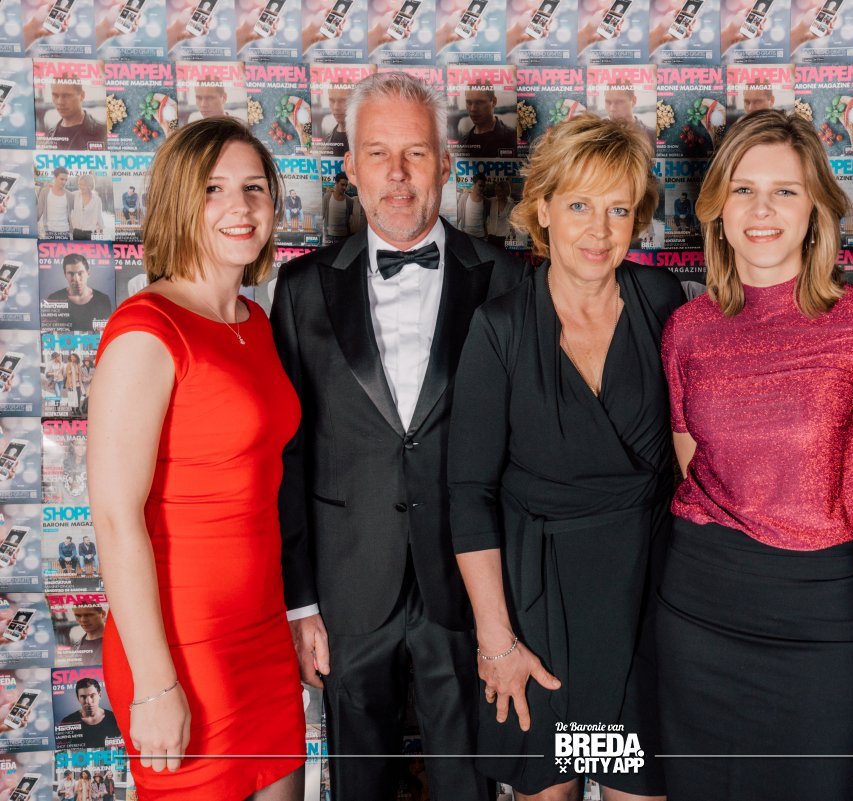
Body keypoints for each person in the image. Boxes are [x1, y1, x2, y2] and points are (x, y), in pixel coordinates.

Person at [271, 70, 528, 800]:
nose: (398, 174)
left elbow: (526, 447)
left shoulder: (507, 277)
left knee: (468, 783)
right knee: (359, 783)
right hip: (348, 588)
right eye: (378, 154)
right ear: (350, 167)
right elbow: (289, 456)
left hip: (470, 588)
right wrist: (300, 603)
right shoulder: (300, 288)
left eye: (415, 153)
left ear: (445, 163)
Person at [657, 109, 853, 798]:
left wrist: (835, 600)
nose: (761, 209)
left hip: (820, 611)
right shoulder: (687, 329)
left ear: (815, 209)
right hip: (698, 605)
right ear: (718, 208)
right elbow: (696, 468)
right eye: (743, 189)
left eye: (785, 191)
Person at [449, 114, 682, 800]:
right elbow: (469, 494)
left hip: (644, 602)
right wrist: (496, 639)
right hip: (537, 611)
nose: (599, 230)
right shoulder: (499, 327)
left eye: (618, 209)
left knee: (638, 788)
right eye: (579, 205)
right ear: (543, 209)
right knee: (548, 789)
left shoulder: (661, 301)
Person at [89, 116, 305, 798]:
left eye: (254, 187)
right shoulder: (147, 330)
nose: (240, 206)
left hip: (263, 633)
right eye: (214, 188)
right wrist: (156, 683)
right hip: (182, 648)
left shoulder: (254, 322)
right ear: (180, 200)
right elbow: (116, 517)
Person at [45, 254, 113, 333]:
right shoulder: (54, 298)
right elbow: (49, 333)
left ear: (88, 273)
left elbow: (106, 332)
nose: (76, 279)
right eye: (71, 274)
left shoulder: (103, 299)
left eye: (80, 273)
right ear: (65, 275)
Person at [57, 678, 122, 749]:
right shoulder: (67, 721)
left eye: (92, 696)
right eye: (83, 697)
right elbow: (62, 750)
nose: (88, 701)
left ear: (100, 695)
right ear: (78, 698)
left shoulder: (115, 719)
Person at [45, 78, 105, 151]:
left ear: (82, 95)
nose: (60, 102)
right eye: (55, 95)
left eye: (66, 96)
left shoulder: (102, 131)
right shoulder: (50, 134)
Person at [462, 85, 518, 157]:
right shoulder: (463, 142)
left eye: (479, 102)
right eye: (469, 103)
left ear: (494, 101)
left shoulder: (512, 138)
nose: (473, 109)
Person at [604, 84, 656, 151]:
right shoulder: (600, 136)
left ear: (633, 101)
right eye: (608, 102)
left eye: (619, 102)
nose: (612, 109)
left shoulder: (652, 136)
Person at [38, 167, 75, 239]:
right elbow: (38, 212)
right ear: (55, 177)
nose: (64, 182)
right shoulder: (45, 192)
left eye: (66, 180)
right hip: (49, 232)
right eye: (62, 179)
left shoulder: (70, 195)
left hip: (65, 232)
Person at [321, 172, 358, 241]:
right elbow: (322, 215)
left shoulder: (349, 201)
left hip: (344, 236)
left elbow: (350, 219)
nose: (344, 187)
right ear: (336, 183)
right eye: (342, 184)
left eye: (346, 185)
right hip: (329, 235)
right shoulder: (327, 197)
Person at [485, 179, 515, 249]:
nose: (497, 193)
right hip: (491, 237)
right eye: (496, 191)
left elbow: (513, 223)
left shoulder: (511, 205)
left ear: (506, 191)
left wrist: (514, 237)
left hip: (504, 238)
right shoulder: (491, 201)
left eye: (500, 191)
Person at [457, 173, 488, 238]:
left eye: (483, 186)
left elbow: (486, 219)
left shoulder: (485, 201)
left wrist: (486, 233)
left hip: (481, 235)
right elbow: (458, 216)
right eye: (480, 185)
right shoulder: (464, 197)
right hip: (467, 235)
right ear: (474, 184)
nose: (481, 188)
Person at [323, 86, 350, 155]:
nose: (336, 107)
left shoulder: (365, 136)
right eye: (332, 101)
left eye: (342, 101)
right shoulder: (327, 137)